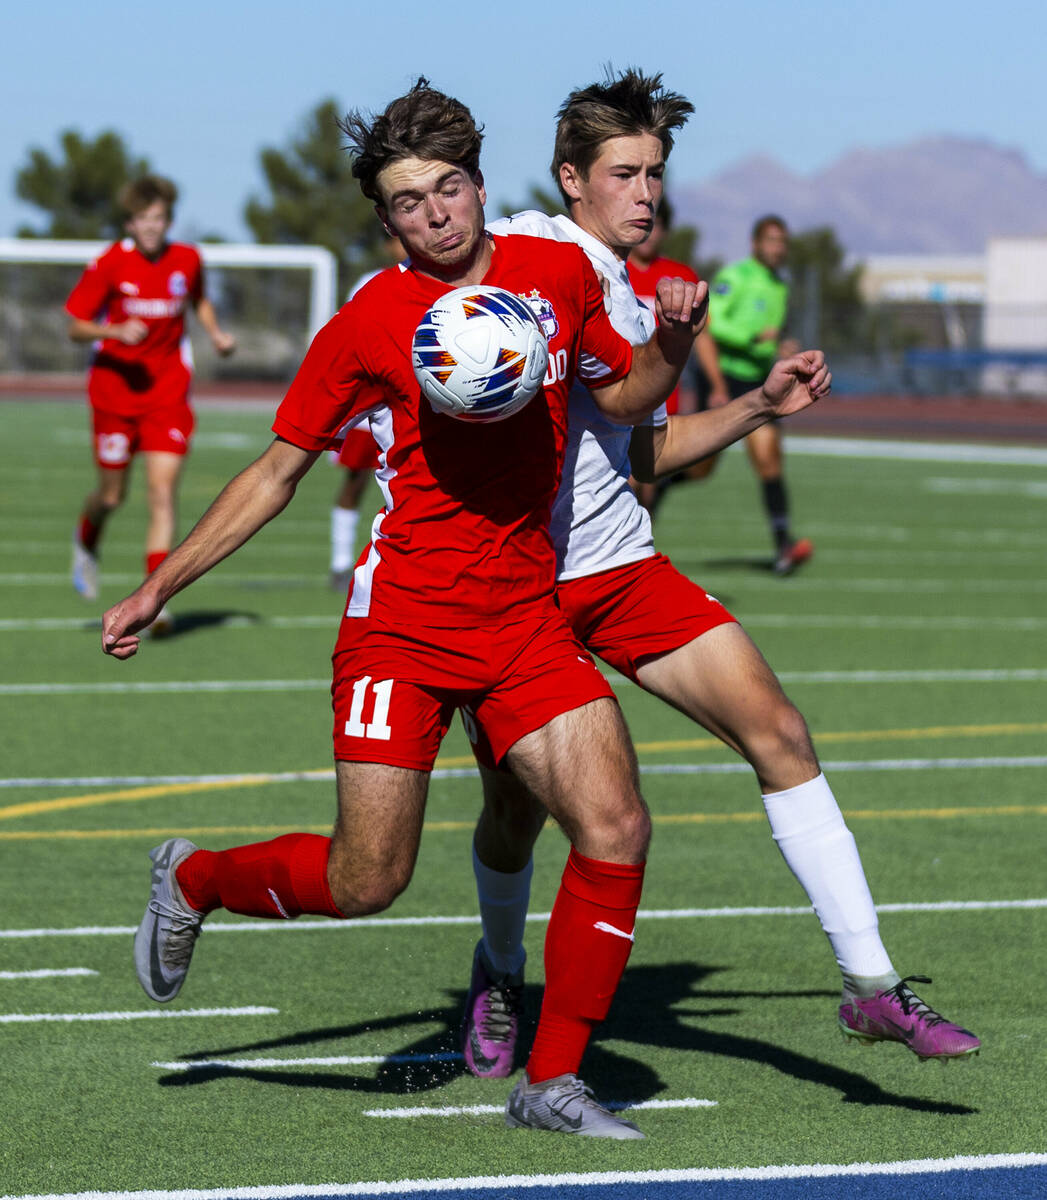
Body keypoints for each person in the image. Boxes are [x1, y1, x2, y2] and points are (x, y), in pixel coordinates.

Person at [101, 79, 712, 1139]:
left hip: (525, 619)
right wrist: (160, 586)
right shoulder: (370, 321)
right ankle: (194, 879)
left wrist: (668, 341)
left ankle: (553, 1081)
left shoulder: (559, 273)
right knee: (367, 877)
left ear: (480, 185)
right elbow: (277, 471)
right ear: (384, 221)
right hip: (404, 626)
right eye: (409, 202)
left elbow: (620, 400)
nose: (437, 214)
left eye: (450, 189)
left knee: (615, 826)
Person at [460, 68, 978, 1088]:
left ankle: (870, 985)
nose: (646, 192)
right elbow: (455, 262)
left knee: (779, 730)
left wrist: (755, 405)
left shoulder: (626, 284)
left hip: (619, 567)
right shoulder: (530, 251)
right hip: (519, 591)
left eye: (656, 171)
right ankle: (500, 969)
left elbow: (646, 451)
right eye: (623, 172)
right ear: (571, 178)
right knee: (518, 813)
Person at [66, 175, 236, 625]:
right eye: (142, 220)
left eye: (158, 219)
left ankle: (154, 598)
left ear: (168, 220)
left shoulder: (187, 259)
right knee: (111, 496)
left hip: (168, 395)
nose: (151, 227)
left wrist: (215, 333)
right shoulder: (108, 264)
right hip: (114, 395)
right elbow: (75, 324)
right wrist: (113, 330)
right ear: (129, 222)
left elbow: (198, 300)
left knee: (162, 495)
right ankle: (86, 538)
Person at [702, 215, 813, 575]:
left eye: (782, 241)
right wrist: (754, 339)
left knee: (769, 458)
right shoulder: (735, 276)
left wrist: (781, 347)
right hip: (723, 380)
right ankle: (649, 501)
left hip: (757, 383)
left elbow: (768, 338)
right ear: (755, 243)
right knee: (698, 469)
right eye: (771, 240)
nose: (778, 248)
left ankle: (783, 547)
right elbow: (713, 322)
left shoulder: (780, 286)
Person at [625, 196, 727, 513]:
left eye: (658, 226)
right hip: (617, 396)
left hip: (661, 403)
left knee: (648, 493)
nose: (651, 232)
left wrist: (718, 385)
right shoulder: (613, 269)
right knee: (624, 485)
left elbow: (703, 336)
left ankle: (639, 556)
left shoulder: (680, 275)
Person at [329, 234, 404, 590]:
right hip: (372, 402)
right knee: (355, 481)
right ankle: (341, 562)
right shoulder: (370, 283)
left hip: (413, 403)